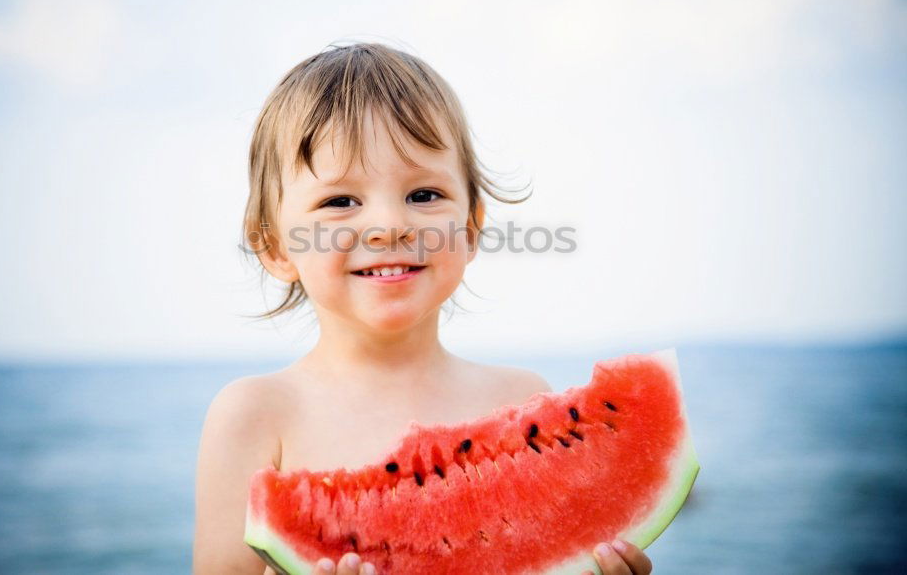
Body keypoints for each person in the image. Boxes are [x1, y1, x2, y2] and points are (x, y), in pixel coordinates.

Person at [193, 42, 654, 575]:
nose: (390, 225)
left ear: (472, 229)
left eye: (424, 195)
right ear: (276, 248)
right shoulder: (254, 416)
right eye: (340, 202)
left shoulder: (523, 399)